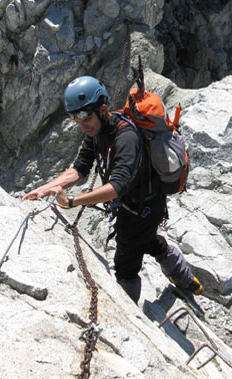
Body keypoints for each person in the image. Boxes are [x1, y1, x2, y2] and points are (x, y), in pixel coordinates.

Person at [22, 76, 202, 303]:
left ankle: (133, 318)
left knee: (126, 266)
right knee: (147, 241)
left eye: (84, 115)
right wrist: (44, 189)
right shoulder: (95, 132)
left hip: (143, 208)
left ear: (102, 109)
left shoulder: (126, 136)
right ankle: (186, 280)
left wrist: (73, 201)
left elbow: (118, 185)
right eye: (74, 117)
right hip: (135, 204)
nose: (80, 123)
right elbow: (79, 169)